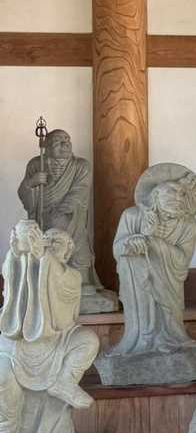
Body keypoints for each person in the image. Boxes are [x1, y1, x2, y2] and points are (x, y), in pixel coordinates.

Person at [0, 222, 98, 433]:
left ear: (68, 252)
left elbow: (58, 283)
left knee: (89, 339)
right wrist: (17, 252)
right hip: (20, 343)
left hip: (58, 342)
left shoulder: (71, 276)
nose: (50, 244)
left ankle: (65, 380)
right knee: (3, 380)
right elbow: (10, 278)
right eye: (48, 239)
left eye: (58, 242)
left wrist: (43, 255)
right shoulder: (32, 262)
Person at [107, 166, 196, 362]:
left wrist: (154, 243)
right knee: (134, 262)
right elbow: (117, 250)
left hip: (168, 281)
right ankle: (138, 338)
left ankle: (171, 338)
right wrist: (132, 244)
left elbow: (182, 260)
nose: (177, 198)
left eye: (181, 194)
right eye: (170, 192)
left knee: (170, 322)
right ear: (155, 196)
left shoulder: (188, 225)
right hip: (138, 283)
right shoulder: (132, 216)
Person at [17, 129, 114, 311]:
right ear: (46, 146)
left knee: (77, 246)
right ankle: (44, 280)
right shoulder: (36, 164)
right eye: (58, 141)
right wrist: (32, 183)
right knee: (44, 246)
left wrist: (63, 210)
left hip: (71, 216)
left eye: (67, 140)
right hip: (42, 216)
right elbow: (24, 194)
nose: (65, 144)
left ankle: (81, 281)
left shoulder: (81, 166)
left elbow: (80, 191)